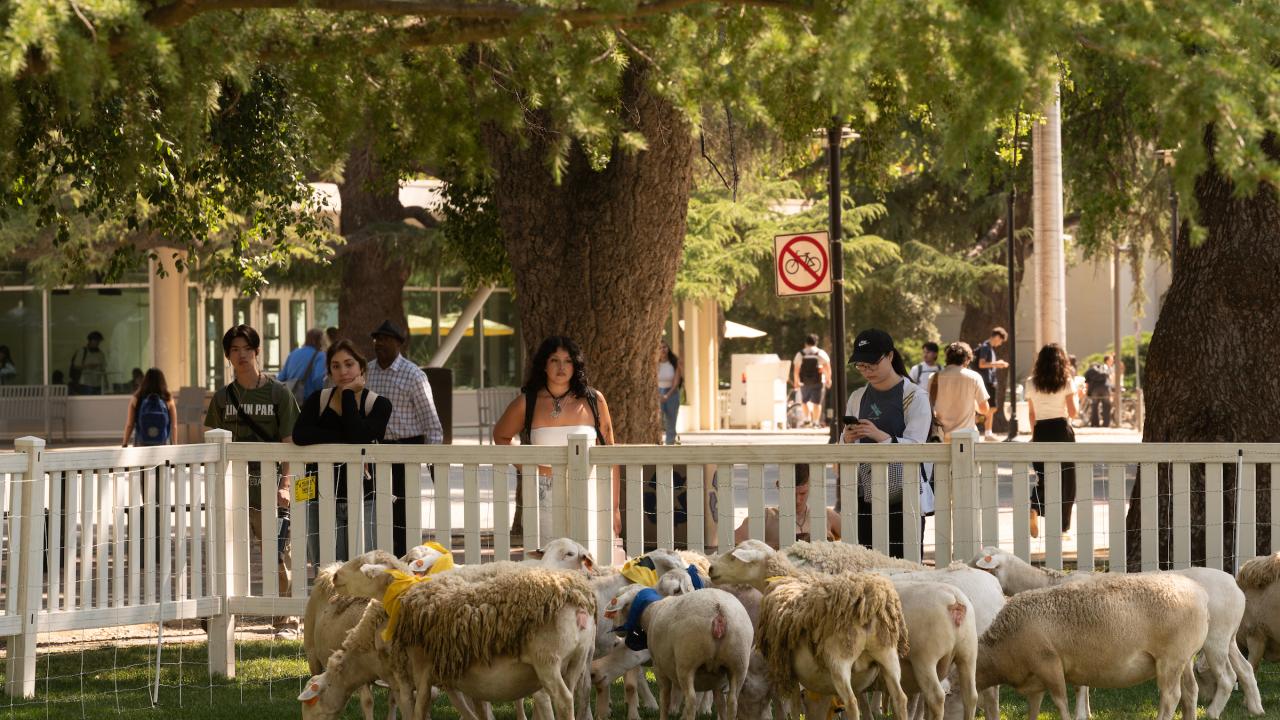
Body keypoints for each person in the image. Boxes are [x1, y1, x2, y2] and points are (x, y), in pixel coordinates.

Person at [203, 324, 300, 632]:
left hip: (269, 491)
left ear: (258, 352)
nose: (241, 355)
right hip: (233, 493)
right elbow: (211, 445)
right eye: (235, 350)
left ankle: (285, 620)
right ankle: (220, 615)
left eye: (247, 349)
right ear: (228, 356)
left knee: (278, 556)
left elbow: (290, 444)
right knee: (225, 554)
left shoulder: (278, 394)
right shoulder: (221, 399)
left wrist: (286, 485)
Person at [492, 336, 620, 549]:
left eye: (568, 360)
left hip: (589, 490)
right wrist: (535, 468)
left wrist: (614, 508)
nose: (561, 367)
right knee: (550, 558)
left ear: (575, 365)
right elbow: (501, 436)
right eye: (554, 360)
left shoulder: (594, 400)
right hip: (544, 494)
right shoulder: (528, 401)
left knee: (589, 557)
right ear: (544, 365)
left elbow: (611, 454)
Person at [292, 339, 392, 563]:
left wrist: (347, 395)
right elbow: (300, 436)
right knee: (325, 570)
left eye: (349, 364)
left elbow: (358, 438)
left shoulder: (379, 404)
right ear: (329, 370)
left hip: (364, 498)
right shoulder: (318, 400)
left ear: (361, 368)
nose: (343, 371)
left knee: (361, 571)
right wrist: (343, 438)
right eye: (336, 366)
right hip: (319, 498)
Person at [842, 328, 933, 558]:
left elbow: (915, 445)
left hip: (904, 495)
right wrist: (847, 439)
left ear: (890, 356)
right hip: (865, 494)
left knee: (905, 565)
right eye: (861, 365)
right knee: (865, 566)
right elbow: (842, 448)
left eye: (872, 364)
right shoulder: (857, 397)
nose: (866, 371)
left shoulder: (914, 396)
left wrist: (877, 435)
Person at [365, 319, 443, 557]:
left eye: (386, 339)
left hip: (406, 448)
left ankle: (405, 561)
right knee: (375, 508)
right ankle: (379, 558)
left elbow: (431, 423)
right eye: (377, 338)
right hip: (375, 449)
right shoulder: (367, 371)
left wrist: (433, 462)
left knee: (403, 511)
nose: (380, 343)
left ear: (399, 343)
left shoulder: (414, 375)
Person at [1026, 343, 1079, 538]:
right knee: (1067, 480)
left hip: (1041, 429)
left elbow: (1031, 414)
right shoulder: (1065, 380)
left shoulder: (1031, 382)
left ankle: (1035, 507)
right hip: (1061, 429)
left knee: (1043, 475)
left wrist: (1034, 435)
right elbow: (1074, 411)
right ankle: (1063, 528)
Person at [733, 464, 841, 549]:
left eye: (803, 493)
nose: (798, 500)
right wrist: (773, 546)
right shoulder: (766, 517)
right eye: (792, 494)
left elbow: (855, 541)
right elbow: (732, 542)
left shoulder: (826, 515)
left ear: (810, 487)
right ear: (779, 486)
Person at [929, 342, 990, 442]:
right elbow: (984, 409)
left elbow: (928, 406)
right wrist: (973, 405)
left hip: (941, 437)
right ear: (967, 359)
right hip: (967, 437)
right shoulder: (974, 377)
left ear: (947, 358)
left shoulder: (933, 378)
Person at [122, 368, 178, 447]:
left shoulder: (137, 398)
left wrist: (125, 444)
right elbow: (174, 426)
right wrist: (175, 445)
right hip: (163, 442)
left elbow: (129, 425)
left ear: (145, 381)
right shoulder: (168, 399)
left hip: (141, 443)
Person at [973, 327, 1009, 441]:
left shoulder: (989, 348)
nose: (1000, 344)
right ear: (997, 337)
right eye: (1000, 341)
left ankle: (987, 431)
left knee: (991, 408)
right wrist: (997, 364)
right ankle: (984, 429)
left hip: (989, 381)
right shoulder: (985, 347)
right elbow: (982, 364)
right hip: (986, 382)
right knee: (989, 408)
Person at [276, 328, 328, 406]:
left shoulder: (294, 353)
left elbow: (281, 377)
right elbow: (318, 380)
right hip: (309, 401)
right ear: (320, 341)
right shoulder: (320, 356)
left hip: (291, 400)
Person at [792, 333, 832, 428]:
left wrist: (796, 381)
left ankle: (807, 419)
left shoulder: (800, 354)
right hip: (818, 381)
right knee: (817, 403)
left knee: (804, 401)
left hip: (804, 382)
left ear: (806, 343)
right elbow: (827, 367)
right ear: (816, 342)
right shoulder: (820, 353)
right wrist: (828, 379)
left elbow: (796, 370)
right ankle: (815, 422)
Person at [656, 340, 683, 445]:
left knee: (671, 421)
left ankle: (670, 443)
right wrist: (658, 395)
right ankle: (657, 443)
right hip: (658, 393)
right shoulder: (655, 364)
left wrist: (667, 395)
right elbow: (652, 381)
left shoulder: (674, 362)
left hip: (672, 393)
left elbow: (676, 381)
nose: (663, 350)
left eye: (665, 347)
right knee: (658, 422)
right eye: (660, 347)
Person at [69, 330, 107, 395]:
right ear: (90, 341)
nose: (97, 343)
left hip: (98, 384)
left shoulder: (101, 353)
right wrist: (87, 366)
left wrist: (106, 382)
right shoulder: (82, 351)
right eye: (95, 340)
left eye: (98, 341)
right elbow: (75, 366)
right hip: (85, 383)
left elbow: (103, 369)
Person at [1085, 354, 1115, 427]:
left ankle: (1095, 423)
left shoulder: (1091, 372)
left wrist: (1088, 392)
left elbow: (1087, 382)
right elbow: (1109, 379)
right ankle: (1106, 424)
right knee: (1106, 406)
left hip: (1095, 389)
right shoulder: (1104, 368)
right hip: (1105, 388)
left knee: (1094, 406)